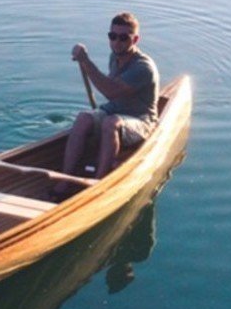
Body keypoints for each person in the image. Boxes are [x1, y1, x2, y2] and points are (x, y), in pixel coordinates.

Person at [62, 12, 159, 182]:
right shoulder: (115, 56)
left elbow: (110, 92)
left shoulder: (143, 68)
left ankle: (99, 183)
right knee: (83, 118)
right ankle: (64, 180)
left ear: (135, 40)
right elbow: (111, 91)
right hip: (115, 110)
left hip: (140, 119)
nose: (117, 42)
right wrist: (85, 62)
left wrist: (86, 61)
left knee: (111, 123)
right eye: (112, 36)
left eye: (123, 38)